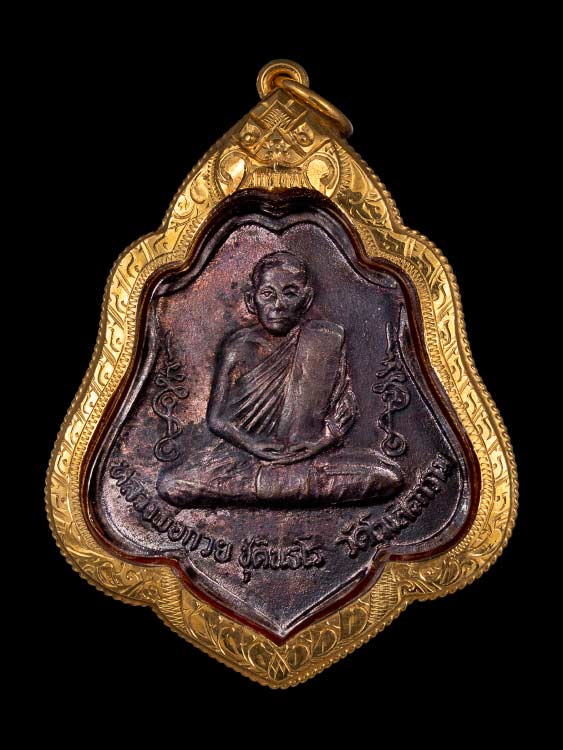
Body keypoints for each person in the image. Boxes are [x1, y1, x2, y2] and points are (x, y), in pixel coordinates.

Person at [157, 251, 403, 507]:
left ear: (306, 299)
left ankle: (270, 487)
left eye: (290, 293)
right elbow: (216, 419)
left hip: (310, 458)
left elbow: (342, 413)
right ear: (251, 300)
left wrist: (322, 441)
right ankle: (288, 487)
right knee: (174, 484)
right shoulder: (238, 347)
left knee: (386, 477)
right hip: (246, 459)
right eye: (268, 294)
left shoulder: (326, 339)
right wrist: (253, 445)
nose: (278, 305)